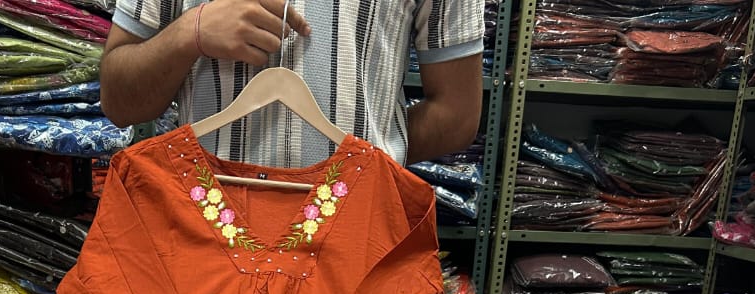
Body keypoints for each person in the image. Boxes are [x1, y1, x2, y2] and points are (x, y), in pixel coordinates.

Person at [100, 0, 485, 168]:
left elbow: (456, 115)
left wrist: (361, 165)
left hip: (355, 235)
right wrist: (191, 32)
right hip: (201, 232)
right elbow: (118, 101)